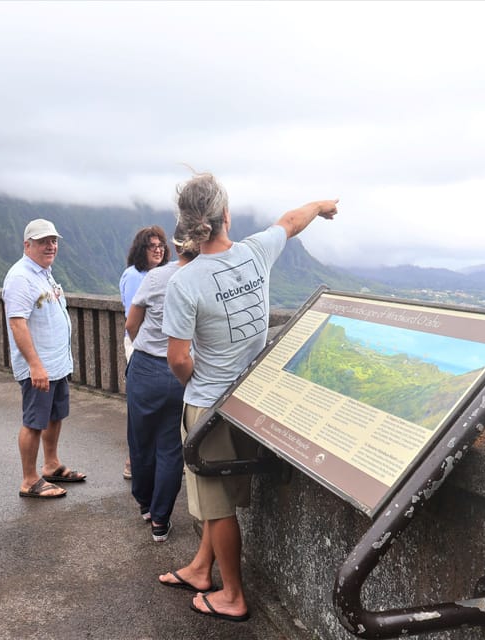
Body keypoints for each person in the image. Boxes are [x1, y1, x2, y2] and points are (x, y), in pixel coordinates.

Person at [160, 173, 338, 622]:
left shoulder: (184, 282)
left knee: (216, 507)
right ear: (225, 216)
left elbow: (178, 358)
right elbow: (291, 221)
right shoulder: (256, 253)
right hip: (248, 401)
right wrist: (320, 205)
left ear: (186, 224)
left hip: (208, 409)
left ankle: (233, 595)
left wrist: (199, 383)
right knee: (220, 493)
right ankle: (202, 569)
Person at [3, 218, 86, 500]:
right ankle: (29, 479)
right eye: (43, 241)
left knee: (54, 416)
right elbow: (17, 324)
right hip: (39, 366)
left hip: (57, 363)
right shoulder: (20, 277)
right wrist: (35, 365)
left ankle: (51, 464)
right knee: (34, 421)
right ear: (27, 245)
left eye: (53, 241)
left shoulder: (44, 272)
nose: (50, 246)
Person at [125, 221, 198, 542]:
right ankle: (160, 520)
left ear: (175, 243)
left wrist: (146, 346)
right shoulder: (204, 279)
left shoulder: (156, 277)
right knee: (170, 447)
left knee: (140, 439)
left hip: (145, 368)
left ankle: (144, 503)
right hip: (180, 370)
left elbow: (131, 323)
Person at [118, 225, 171, 479]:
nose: (158, 250)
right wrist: (143, 351)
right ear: (142, 249)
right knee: (141, 408)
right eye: (153, 246)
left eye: (161, 245)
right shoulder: (134, 276)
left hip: (156, 347)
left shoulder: (160, 274)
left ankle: (155, 462)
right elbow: (132, 320)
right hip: (140, 346)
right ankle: (133, 462)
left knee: (156, 409)